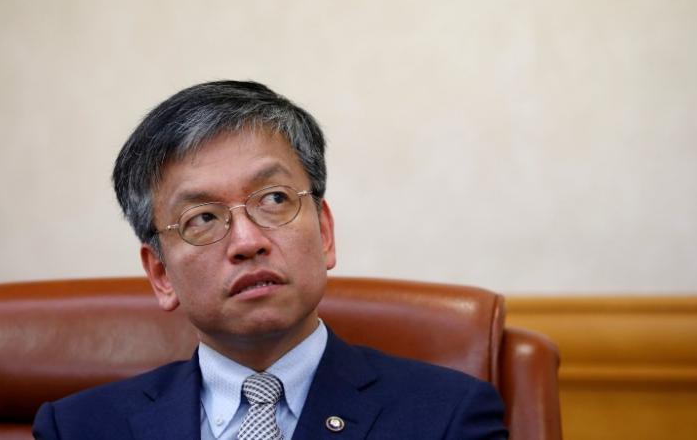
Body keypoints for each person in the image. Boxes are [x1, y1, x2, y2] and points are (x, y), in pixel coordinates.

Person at [32, 80, 507, 439]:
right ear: (161, 275)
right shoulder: (77, 429)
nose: (247, 241)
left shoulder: (447, 417)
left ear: (324, 233)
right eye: (202, 218)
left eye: (274, 199)